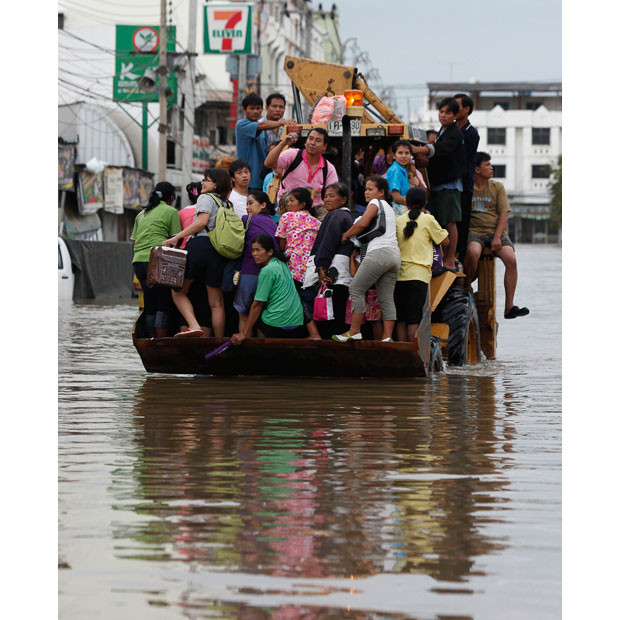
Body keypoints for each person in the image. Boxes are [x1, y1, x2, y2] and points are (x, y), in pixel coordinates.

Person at [163, 168, 233, 337]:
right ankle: (218, 340)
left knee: (178, 291)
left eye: (206, 180)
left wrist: (176, 237)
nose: (202, 183)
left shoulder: (205, 197)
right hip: (218, 250)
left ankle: (194, 325)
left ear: (215, 185)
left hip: (200, 245)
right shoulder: (226, 203)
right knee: (216, 302)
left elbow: (201, 222)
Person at [333, 175, 400, 342]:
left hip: (379, 252)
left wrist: (346, 235)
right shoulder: (391, 209)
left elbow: (362, 223)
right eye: (365, 190)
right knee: (386, 298)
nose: (366, 193)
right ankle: (387, 337)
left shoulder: (375, 203)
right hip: (394, 256)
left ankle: (354, 331)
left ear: (381, 192)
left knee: (355, 288)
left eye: (370, 189)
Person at [464, 152, 529, 320]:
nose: (491, 168)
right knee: (472, 253)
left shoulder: (497, 187)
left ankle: (509, 307)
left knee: (511, 260)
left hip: (496, 232)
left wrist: (497, 237)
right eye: (487, 165)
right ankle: (466, 288)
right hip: (475, 232)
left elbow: (504, 214)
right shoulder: (467, 188)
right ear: (477, 169)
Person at [411, 97, 466, 271]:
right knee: (439, 223)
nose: (443, 115)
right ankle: (440, 257)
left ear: (454, 115)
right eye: (441, 111)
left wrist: (419, 150)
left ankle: (450, 259)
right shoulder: (443, 131)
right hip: (438, 184)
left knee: (450, 222)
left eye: (448, 112)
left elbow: (440, 151)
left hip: (449, 185)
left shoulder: (455, 133)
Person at [231, 235, 311, 343]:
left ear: (270, 252)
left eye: (257, 250)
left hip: (278, 324)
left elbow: (258, 304)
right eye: (253, 250)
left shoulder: (267, 270)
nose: (254, 254)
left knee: (256, 317)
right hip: (297, 323)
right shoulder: (281, 263)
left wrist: (243, 333)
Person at [395, 188, 449, 342]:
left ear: (407, 203)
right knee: (414, 319)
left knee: (401, 319)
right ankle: (413, 355)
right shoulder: (428, 220)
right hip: (419, 276)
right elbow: (445, 241)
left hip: (399, 276)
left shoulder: (399, 220)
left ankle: (401, 354)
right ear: (425, 203)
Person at [301, 182, 355, 337]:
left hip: (335, 266)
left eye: (332, 196)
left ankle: (330, 340)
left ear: (343, 199)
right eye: (325, 196)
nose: (327, 200)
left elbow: (329, 240)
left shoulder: (337, 215)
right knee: (338, 305)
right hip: (342, 267)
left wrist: (321, 265)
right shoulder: (344, 215)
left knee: (331, 306)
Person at [131, 182, 181, 338]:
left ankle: (150, 339)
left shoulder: (141, 214)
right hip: (157, 259)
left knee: (149, 301)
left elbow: (134, 242)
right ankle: (160, 340)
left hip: (138, 261)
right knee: (162, 303)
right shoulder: (171, 211)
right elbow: (176, 240)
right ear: (171, 198)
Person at [264, 127, 339, 221]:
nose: (312, 143)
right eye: (310, 138)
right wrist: (283, 143)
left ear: (324, 147)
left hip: (314, 211)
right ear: (305, 142)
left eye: (318, 140)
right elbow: (268, 163)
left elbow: (333, 194)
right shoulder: (292, 155)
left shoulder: (329, 168)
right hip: (289, 207)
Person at [233, 191, 279, 333]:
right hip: (270, 274)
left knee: (243, 314)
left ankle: (244, 347)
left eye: (251, 203)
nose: (247, 207)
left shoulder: (247, 219)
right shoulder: (274, 223)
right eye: (247, 204)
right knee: (262, 316)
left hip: (249, 272)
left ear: (263, 204)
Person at [235, 93, 296, 192]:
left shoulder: (266, 129)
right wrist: (281, 122)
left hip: (267, 180)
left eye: (258, 108)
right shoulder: (242, 125)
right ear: (244, 110)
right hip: (250, 181)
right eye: (252, 108)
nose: (255, 111)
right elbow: (262, 125)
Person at [454, 93, 481, 259]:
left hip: (463, 184)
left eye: (456, 107)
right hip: (449, 183)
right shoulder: (448, 129)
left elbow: (461, 158)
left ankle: (457, 257)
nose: (452, 110)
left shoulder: (471, 133)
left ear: (466, 109)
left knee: (461, 222)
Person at [385, 139, 426, 217]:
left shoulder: (403, 170)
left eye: (407, 153)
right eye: (400, 153)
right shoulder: (395, 170)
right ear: (394, 155)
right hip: (398, 210)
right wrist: (415, 206)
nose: (403, 156)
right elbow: (396, 197)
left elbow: (422, 190)